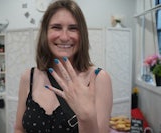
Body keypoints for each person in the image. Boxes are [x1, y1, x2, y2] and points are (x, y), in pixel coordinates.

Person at [14, 0, 113, 133]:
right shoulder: (28, 77)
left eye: (73, 28)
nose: (65, 37)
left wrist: (87, 117)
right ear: (45, 32)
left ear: (81, 34)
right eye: (56, 27)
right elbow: (19, 128)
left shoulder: (98, 79)